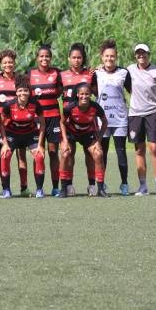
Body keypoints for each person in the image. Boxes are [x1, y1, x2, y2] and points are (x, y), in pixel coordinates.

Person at [127, 43, 156, 196]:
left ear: (148, 54)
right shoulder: (129, 70)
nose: (141, 56)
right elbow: (116, 77)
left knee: (154, 148)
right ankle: (143, 186)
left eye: (143, 53)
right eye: (138, 53)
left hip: (153, 113)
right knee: (139, 150)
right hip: (135, 114)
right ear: (135, 55)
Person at [93, 39, 132, 195]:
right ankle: (102, 185)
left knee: (121, 151)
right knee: (102, 153)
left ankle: (124, 184)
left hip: (120, 119)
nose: (109, 59)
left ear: (116, 57)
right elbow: (91, 92)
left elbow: (133, 92)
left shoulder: (123, 73)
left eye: (112, 56)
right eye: (106, 56)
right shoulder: (96, 73)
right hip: (102, 120)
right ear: (102, 57)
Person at [0, 49, 30, 196]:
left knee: (22, 155)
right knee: (4, 155)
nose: (8, 65)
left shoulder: (20, 79)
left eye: (11, 62)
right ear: (0, 64)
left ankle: (24, 187)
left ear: (14, 63)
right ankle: (6, 188)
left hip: (20, 121)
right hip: (3, 124)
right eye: (5, 62)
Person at [0, 74, 47, 198]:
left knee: (39, 156)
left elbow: (42, 124)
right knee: (5, 155)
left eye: (25, 90)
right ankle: (6, 190)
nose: (23, 93)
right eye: (20, 91)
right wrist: (4, 144)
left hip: (30, 134)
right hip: (12, 134)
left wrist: (41, 145)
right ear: (16, 92)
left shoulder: (35, 104)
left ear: (29, 92)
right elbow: (1, 124)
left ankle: (39, 190)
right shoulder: (8, 105)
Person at [59, 83, 109, 198]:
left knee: (98, 154)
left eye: (87, 94)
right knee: (65, 154)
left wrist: (99, 140)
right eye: (82, 94)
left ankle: (99, 188)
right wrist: (65, 140)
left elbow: (105, 122)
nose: (84, 96)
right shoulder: (70, 107)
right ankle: (64, 188)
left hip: (88, 134)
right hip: (71, 134)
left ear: (90, 95)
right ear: (77, 95)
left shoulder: (95, 107)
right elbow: (61, 122)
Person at [60, 43, 97, 196]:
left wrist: (98, 70)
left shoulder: (90, 74)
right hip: (69, 121)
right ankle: (68, 185)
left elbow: (97, 91)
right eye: (74, 57)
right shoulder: (61, 75)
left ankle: (92, 185)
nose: (76, 60)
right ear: (69, 59)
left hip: (87, 120)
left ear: (83, 59)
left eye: (79, 57)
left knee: (90, 154)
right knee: (69, 153)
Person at [27, 44, 63, 196]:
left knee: (53, 152)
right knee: (38, 153)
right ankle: (39, 188)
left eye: (47, 56)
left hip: (53, 117)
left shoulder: (57, 73)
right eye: (41, 56)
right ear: (37, 58)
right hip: (36, 119)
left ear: (51, 58)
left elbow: (60, 90)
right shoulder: (30, 73)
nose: (44, 59)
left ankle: (55, 187)